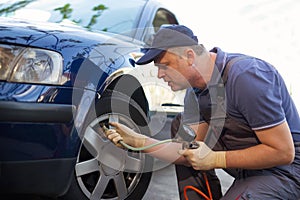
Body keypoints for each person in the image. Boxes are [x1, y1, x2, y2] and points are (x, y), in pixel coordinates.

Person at [105, 25, 300, 199]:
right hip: (248, 170)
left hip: (285, 171)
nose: (159, 75)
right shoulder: (194, 93)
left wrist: (216, 159)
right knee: (181, 127)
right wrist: (139, 142)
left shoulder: (246, 77)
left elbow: (283, 152)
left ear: (189, 56)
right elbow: (186, 151)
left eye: (165, 65)